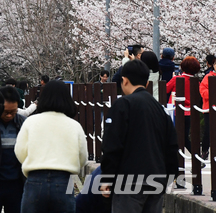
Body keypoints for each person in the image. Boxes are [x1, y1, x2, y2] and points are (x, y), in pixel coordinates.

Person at [101, 59, 178, 212]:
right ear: (147, 83)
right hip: (156, 181)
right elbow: (172, 145)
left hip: (128, 182)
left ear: (124, 80)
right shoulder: (159, 109)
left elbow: (112, 145)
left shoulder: (123, 104)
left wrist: (107, 177)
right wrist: (168, 177)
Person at [14, 81, 88, 213]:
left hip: (35, 179)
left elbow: (20, 152)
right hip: (64, 181)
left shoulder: (31, 122)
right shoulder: (74, 125)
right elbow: (83, 157)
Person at [166, 55, 200, 151]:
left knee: (176, 136)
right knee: (185, 136)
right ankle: (195, 154)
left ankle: (188, 155)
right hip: (189, 112)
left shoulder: (177, 79)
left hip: (176, 111)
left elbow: (166, 89)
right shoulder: (196, 82)